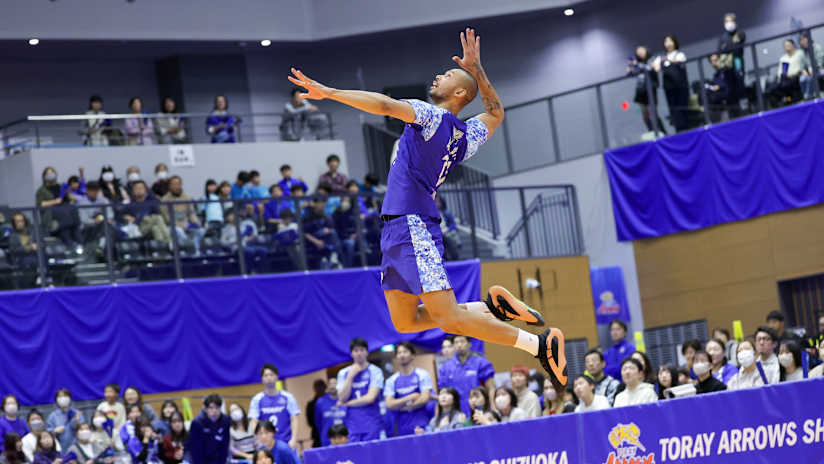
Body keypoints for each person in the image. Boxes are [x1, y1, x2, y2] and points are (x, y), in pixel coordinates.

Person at [288, 28, 565, 384]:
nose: (439, 75)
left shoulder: (432, 116)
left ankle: (538, 345)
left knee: (448, 319)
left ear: (460, 93)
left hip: (412, 223)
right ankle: (491, 309)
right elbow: (495, 114)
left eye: (448, 75)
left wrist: (330, 93)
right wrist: (476, 69)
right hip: (397, 226)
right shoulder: (465, 137)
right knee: (405, 322)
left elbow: (386, 106)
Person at [336, 338, 384, 443]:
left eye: (362, 350)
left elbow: (370, 398)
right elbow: (342, 397)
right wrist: (350, 377)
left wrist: (347, 403)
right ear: (351, 353)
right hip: (352, 423)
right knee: (355, 456)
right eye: (356, 350)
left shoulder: (375, 371)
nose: (359, 353)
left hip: (371, 422)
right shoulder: (343, 373)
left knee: (372, 455)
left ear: (367, 352)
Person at [383, 342, 433, 436]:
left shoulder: (422, 374)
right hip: (401, 426)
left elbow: (424, 398)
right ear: (396, 357)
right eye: (399, 353)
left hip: (421, 424)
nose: (402, 355)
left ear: (412, 356)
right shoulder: (391, 380)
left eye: (405, 352)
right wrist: (411, 397)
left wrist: (400, 406)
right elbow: (389, 404)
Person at [437, 335, 495, 415]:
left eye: (462, 341)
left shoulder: (481, 363)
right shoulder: (445, 368)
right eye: (456, 342)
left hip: (479, 409)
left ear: (469, 344)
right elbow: (442, 393)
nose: (459, 345)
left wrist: (493, 407)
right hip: (456, 413)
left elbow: (491, 388)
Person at [248, 364, 300, 450]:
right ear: (262, 379)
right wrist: (259, 440)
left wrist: (293, 439)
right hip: (267, 445)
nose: (269, 378)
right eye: (266, 375)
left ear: (277, 377)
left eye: (271, 375)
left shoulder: (288, 397)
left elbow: (294, 419)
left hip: (286, 442)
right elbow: (254, 421)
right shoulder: (256, 399)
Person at [652, 35, 689, 132]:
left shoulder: (679, 54)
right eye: (666, 41)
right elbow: (656, 67)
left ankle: (686, 127)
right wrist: (657, 62)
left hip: (681, 87)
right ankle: (678, 128)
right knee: (673, 109)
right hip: (669, 88)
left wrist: (668, 60)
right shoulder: (661, 58)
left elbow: (680, 61)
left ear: (675, 42)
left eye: (670, 41)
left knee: (683, 107)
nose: (668, 43)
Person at [162, 176, 205, 254]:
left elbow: (191, 213)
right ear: (169, 186)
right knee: (179, 231)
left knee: (201, 231)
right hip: (172, 226)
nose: (176, 186)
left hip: (186, 224)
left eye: (178, 184)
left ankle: (197, 252)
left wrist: (196, 222)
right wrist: (180, 225)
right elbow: (167, 218)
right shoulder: (165, 199)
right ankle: (186, 250)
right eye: (174, 184)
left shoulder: (187, 197)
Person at [626, 46, 664, 134]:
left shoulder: (652, 59)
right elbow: (630, 73)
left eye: (642, 51)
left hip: (650, 89)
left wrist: (637, 64)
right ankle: (651, 132)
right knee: (645, 114)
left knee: (653, 113)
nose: (640, 53)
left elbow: (649, 68)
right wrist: (630, 67)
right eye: (638, 52)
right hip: (640, 90)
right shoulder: (637, 64)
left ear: (646, 51)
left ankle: (661, 132)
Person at [716, 12, 746, 114]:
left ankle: (743, 110)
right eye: (727, 21)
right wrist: (730, 45)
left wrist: (727, 46)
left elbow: (732, 46)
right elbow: (720, 50)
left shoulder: (740, 33)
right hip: (727, 68)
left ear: (735, 22)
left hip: (738, 63)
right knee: (730, 90)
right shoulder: (722, 37)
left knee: (740, 87)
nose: (729, 23)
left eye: (731, 21)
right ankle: (734, 112)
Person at [188, 394, 230, 464]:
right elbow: (196, 449)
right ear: (206, 409)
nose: (214, 411)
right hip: (201, 459)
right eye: (211, 408)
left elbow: (225, 445)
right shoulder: (197, 423)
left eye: (217, 408)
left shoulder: (225, 421)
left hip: (217, 459)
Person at [766, 39, 804, 107]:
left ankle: (788, 99)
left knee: (785, 86)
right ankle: (780, 105)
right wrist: (781, 78)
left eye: (788, 45)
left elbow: (800, 68)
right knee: (770, 89)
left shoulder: (799, 53)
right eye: (785, 46)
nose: (787, 47)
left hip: (795, 77)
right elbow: (780, 72)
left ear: (793, 45)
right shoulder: (783, 58)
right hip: (784, 79)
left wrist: (791, 75)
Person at [314, 378, 346, 448]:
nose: (332, 386)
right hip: (327, 440)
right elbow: (318, 422)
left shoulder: (345, 399)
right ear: (327, 386)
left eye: (335, 383)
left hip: (344, 439)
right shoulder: (320, 402)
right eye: (330, 384)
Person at [95, 385, 125, 449]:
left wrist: (115, 435)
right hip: (103, 434)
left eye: (110, 392)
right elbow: (97, 422)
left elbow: (122, 423)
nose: (108, 394)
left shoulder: (120, 407)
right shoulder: (101, 406)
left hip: (116, 435)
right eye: (106, 392)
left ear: (116, 394)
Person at [799, 33, 824, 99]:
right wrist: (804, 70)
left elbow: (820, 62)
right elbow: (802, 65)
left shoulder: (817, 47)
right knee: (802, 79)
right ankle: (807, 95)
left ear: (808, 38)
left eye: (804, 39)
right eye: (801, 40)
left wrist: (813, 69)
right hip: (809, 71)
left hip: (820, 69)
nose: (802, 41)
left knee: (811, 78)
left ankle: (808, 97)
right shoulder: (802, 52)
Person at [305, 380, 326, 448]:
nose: (319, 389)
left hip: (330, 433)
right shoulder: (311, 404)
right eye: (317, 387)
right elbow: (310, 422)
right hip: (317, 436)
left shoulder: (331, 401)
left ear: (325, 387)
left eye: (321, 386)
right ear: (314, 388)